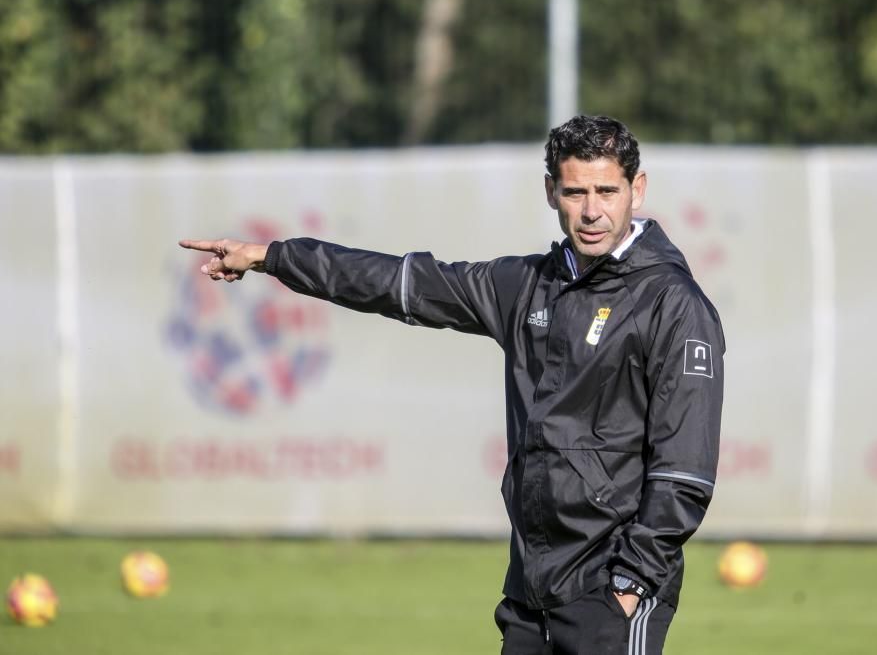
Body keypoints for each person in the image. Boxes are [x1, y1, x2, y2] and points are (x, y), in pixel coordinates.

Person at [180, 114, 725, 654]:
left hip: (609, 591)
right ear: (550, 192)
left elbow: (684, 470)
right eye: (575, 191)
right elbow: (403, 284)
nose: (591, 211)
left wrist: (630, 584)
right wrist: (274, 257)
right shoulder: (527, 286)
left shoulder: (673, 304)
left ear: (638, 189)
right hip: (531, 589)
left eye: (607, 190)